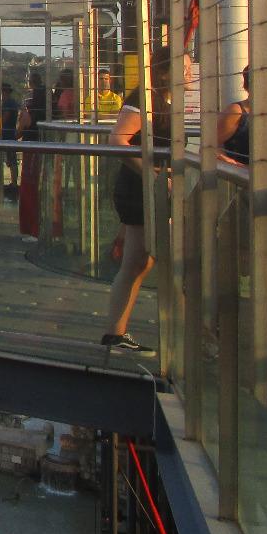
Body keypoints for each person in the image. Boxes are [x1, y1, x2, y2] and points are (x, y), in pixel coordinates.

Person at [102, 49, 173, 354]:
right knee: (143, 262)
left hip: (147, 189)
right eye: (182, 67)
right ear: (163, 72)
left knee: (140, 263)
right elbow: (118, 139)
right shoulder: (144, 99)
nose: (189, 73)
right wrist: (153, 174)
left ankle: (116, 334)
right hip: (139, 190)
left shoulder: (163, 101)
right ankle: (116, 334)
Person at [15, 70, 49, 238]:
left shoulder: (28, 100)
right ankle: (48, 228)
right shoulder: (50, 99)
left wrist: (15, 135)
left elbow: (24, 124)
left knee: (30, 187)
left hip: (31, 146)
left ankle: (31, 228)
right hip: (49, 146)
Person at [0, 82, 20, 195]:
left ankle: (14, 182)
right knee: (11, 159)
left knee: (11, 159)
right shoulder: (12, 103)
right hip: (10, 132)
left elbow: (5, 118)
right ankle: (14, 182)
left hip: (7, 133)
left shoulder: (8, 103)